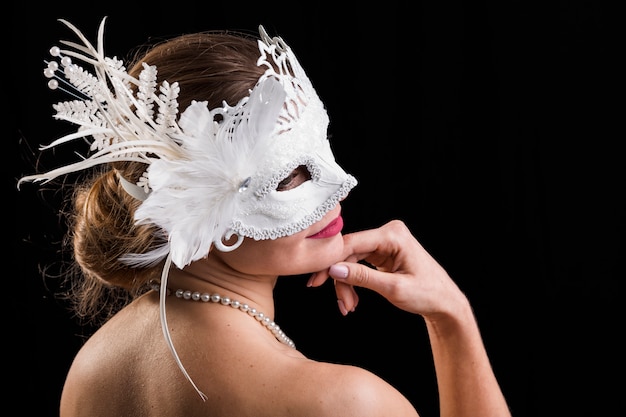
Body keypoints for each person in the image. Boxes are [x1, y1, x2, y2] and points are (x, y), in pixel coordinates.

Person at [19, 17, 511, 417]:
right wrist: (452, 318)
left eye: (324, 148)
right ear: (187, 193)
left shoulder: (92, 369)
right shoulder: (343, 404)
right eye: (290, 174)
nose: (342, 184)